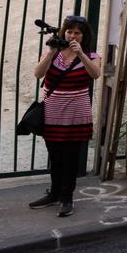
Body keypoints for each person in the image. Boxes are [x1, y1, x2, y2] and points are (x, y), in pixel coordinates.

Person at [30, 14, 102, 219]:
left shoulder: (92, 55)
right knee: (55, 155)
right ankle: (54, 193)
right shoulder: (53, 52)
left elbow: (95, 74)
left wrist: (81, 55)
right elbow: (38, 73)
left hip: (76, 113)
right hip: (52, 111)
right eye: (69, 31)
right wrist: (51, 53)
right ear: (64, 32)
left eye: (77, 33)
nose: (72, 35)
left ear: (84, 36)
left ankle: (67, 197)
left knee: (70, 157)